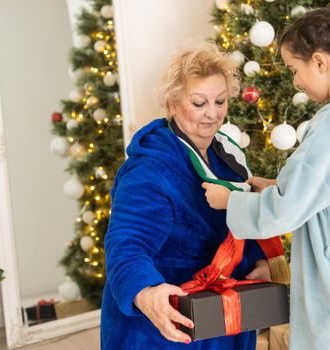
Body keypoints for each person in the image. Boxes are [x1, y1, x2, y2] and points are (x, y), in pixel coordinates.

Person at [203, 8, 330, 350]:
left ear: (320, 62)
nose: (295, 82)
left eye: (295, 70)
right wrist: (279, 186)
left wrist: (229, 201)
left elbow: (283, 213)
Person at [100, 42, 271, 349]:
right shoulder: (149, 169)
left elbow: (239, 220)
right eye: (199, 103)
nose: (212, 114)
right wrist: (145, 291)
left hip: (223, 315)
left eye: (220, 101)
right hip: (168, 321)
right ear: (172, 103)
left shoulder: (228, 158)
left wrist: (258, 261)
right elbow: (126, 243)